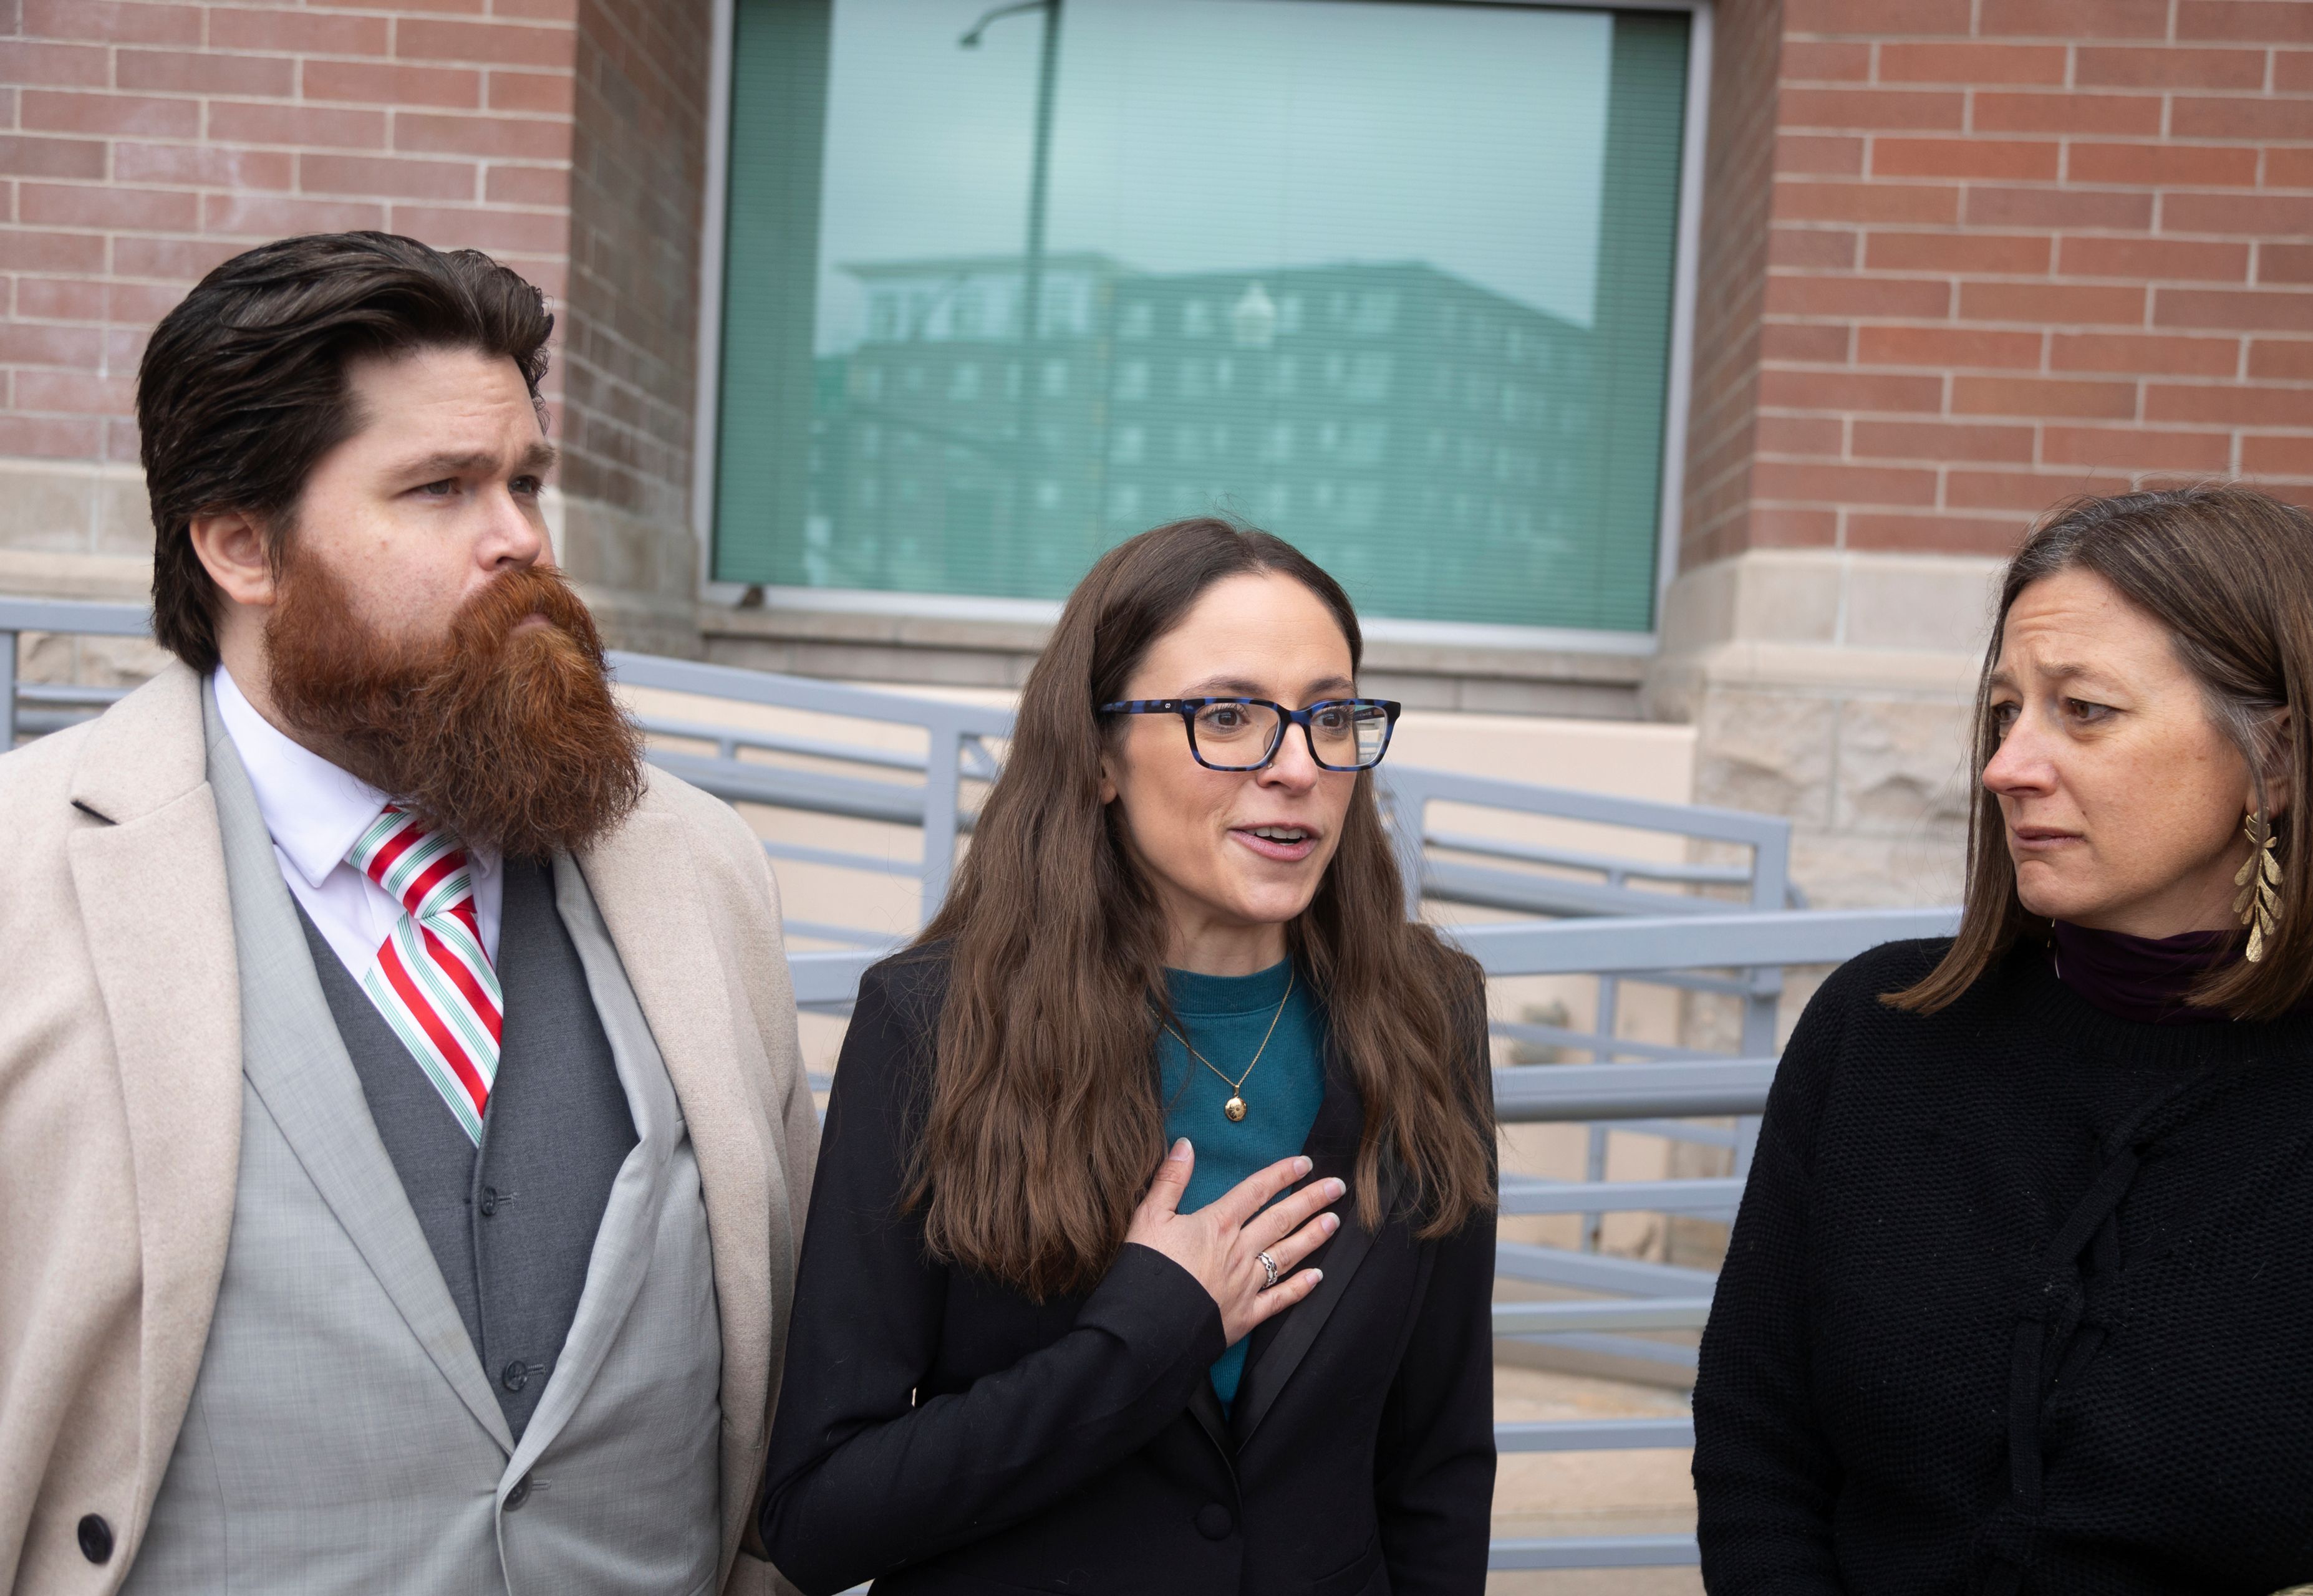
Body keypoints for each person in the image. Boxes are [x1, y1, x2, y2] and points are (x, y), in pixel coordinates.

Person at [0, 233, 815, 1594]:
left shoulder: (700, 864)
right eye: (442, 488)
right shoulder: (22, 879)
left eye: (525, 481)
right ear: (240, 545)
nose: (524, 539)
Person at [758, 519, 1499, 1595]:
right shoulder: (934, 1026)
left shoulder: (1429, 1015)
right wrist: (1145, 1335)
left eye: (1331, 717)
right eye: (1229, 716)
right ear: (1101, 755)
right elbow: (819, 1516)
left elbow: (1437, 1466)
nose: (1297, 767)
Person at [1693, 485, 2313, 1594]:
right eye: (2005, 712)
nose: (2008, 767)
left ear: (2283, 761)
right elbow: (1757, 1443)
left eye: (2085, 712)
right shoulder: (1880, 1033)